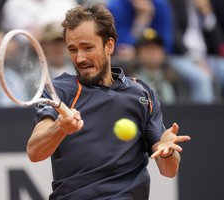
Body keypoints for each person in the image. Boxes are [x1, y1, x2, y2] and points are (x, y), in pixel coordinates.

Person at [27, 5, 190, 199]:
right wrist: (61, 128)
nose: (79, 58)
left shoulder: (141, 93)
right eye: (73, 49)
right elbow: (34, 151)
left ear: (109, 45)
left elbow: (168, 170)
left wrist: (167, 152)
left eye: (88, 48)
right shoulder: (59, 90)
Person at [133, 28, 177, 104]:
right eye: (148, 48)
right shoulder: (132, 82)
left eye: (157, 48)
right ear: (138, 54)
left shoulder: (174, 79)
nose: (153, 52)